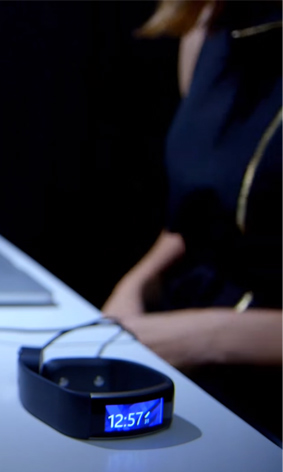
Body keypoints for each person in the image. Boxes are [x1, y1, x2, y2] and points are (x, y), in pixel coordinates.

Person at [102, 0, 282, 443]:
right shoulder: (207, 23)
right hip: (188, 345)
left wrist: (207, 337)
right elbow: (199, 219)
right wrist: (135, 284)